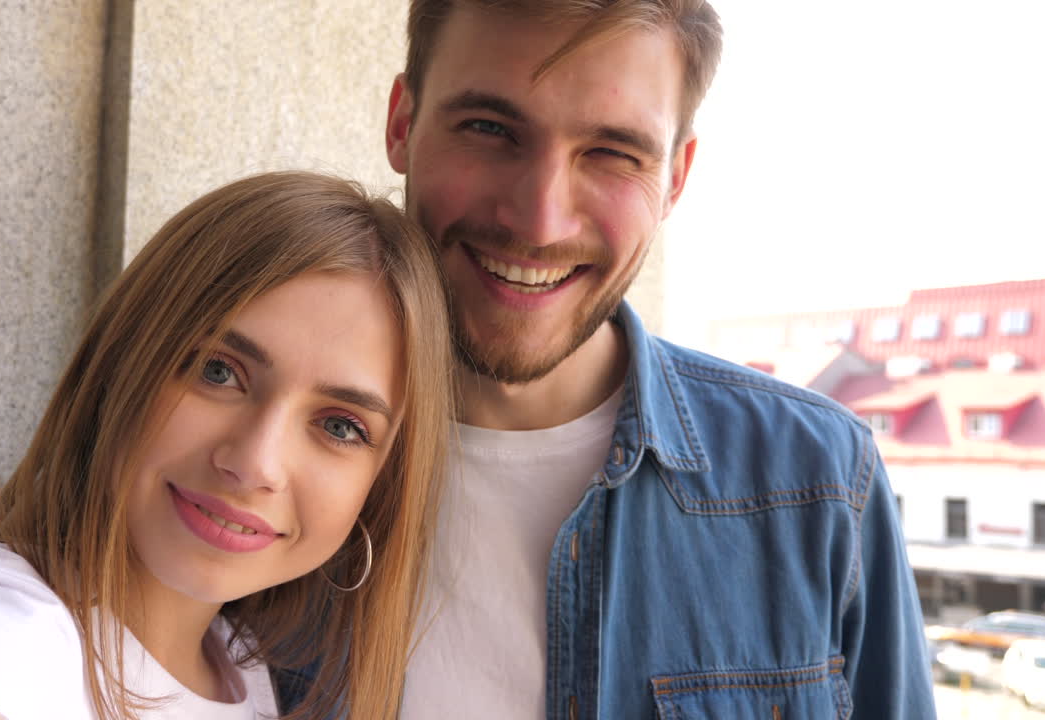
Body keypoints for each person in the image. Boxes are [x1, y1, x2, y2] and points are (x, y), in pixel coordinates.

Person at [343, 0, 929, 717]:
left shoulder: (820, 478)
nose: (539, 220)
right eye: (490, 129)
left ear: (674, 179)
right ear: (402, 123)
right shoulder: (255, 461)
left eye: (613, 153)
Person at [0, 171, 454, 720]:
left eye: (341, 426)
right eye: (216, 371)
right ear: (124, 363)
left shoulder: (242, 676)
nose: (256, 462)